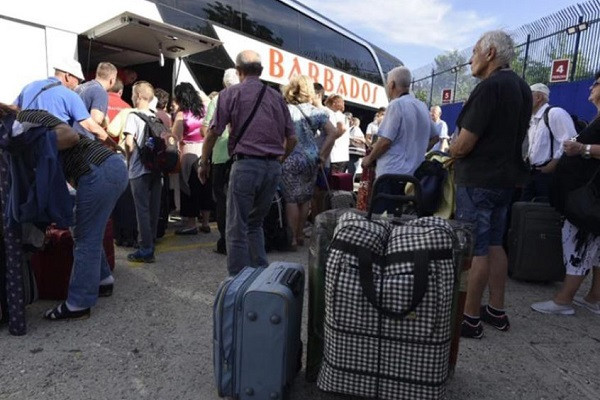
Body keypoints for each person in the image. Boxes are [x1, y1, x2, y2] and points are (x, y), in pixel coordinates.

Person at [448, 30, 532, 339]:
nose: (470, 59)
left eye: (474, 51)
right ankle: (496, 310)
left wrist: (450, 150)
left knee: (477, 248)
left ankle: (469, 318)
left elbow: (465, 142)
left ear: (490, 53)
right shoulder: (523, 88)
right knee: (495, 243)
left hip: (479, 179)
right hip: (506, 180)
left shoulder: (489, 87)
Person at [7, 107, 127, 320]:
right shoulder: (24, 121)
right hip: (105, 168)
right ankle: (103, 280)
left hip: (96, 170)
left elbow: (70, 136)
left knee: (85, 238)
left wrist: (37, 147)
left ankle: (78, 303)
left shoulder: (25, 119)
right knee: (84, 229)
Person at [199, 50, 297, 276]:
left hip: (246, 165)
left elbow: (214, 132)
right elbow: (292, 138)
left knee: (236, 226)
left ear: (238, 70)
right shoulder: (277, 98)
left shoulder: (229, 94)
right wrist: (279, 159)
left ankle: (237, 281)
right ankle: (260, 276)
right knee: (255, 223)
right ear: (260, 71)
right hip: (272, 168)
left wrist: (204, 162)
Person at [531, 71, 600, 315]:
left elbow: (583, 148)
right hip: (588, 191)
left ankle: (564, 301)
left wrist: (583, 148)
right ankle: (593, 297)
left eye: (597, 84)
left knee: (578, 241)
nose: (591, 87)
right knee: (595, 247)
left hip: (590, 195)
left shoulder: (556, 114)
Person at [361, 66, 438, 214]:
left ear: (392, 85)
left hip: (391, 175)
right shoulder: (421, 106)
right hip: (415, 176)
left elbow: (385, 141)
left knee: (383, 220)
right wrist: (418, 150)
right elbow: (435, 137)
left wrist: (369, 159)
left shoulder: (396, 105)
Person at [281, 75, 339, 248]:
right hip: (311, 158)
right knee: (305, 198)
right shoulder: (316, 111)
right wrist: (322, 154)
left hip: (291, 156)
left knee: (291, 198)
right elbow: (334, 132)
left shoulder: (286, 110)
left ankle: (291, 239)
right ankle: (300, 236)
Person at [14, 58, 113, 146]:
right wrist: (113, 144)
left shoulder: (30, 86)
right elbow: (91, 126)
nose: (78, 84)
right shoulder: (69, 95)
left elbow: (13, 109)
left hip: (22, 146)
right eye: (78, 80)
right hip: (47, 150)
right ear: (68, 76)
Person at [123, 81, 162, 263]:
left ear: (138, 96)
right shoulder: (156, 117)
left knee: (142, 210)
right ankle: (151, 242)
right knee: (153, 208)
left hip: (139, 169)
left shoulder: (133, 116)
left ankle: (145, 248)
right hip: (156, 169)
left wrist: (128, 161)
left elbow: (129, 143)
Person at [203, 68, 239, 254]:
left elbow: (208, 131)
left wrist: (204, 159)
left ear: (224, 83)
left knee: (222, 201)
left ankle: (225, 242)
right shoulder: (244, 98)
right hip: (241, 156)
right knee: (239, 199)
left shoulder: (217, 100)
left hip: (219, 157)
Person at [522, 83, 577, 201]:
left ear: (538, 97)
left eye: (527, 96)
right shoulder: (533, 120)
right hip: (533, 173)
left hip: (548, 175)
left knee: (543, 212)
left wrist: (553, 163)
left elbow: (572, 139)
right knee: (525, 210)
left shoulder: (555, 113)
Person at [171, 82, 212, 235]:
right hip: (205, 150)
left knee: (188, 187)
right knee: (205, 186)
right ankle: (206, 222)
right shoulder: (205, 110)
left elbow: (176, 136)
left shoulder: (182, 114)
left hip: (188, 151)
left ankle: (191, 223)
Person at [74, 62, 117, 131]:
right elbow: (96, 120)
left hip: (70, 133)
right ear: (112, 80)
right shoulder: (100, 92)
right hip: (83, 137)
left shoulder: (80, 87)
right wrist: (104, 120)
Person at [325, 95, 349, 173]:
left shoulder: (335, 114)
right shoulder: (343, 116)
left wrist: (331, 138)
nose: (326, 106)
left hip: (334, 155)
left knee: (330, 182)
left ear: (334, 103)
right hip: (342, 155)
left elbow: (342, 129)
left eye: (327, 104)